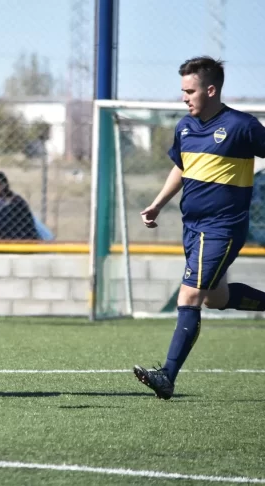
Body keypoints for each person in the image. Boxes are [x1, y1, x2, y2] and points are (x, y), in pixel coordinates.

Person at [133, 56, 265, 400]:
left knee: (189, 295)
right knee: (216, 299)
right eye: (182, 91)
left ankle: (167, 376)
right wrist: (159, 203)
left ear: (211, 89)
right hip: (192, 227)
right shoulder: (184, 127)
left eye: (190, 91)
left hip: (221, 228)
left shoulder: (242, 126)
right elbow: (182, 166)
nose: (184, 97)